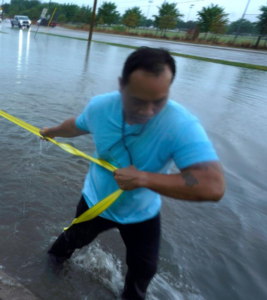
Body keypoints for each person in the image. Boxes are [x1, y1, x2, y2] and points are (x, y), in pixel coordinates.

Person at [40, 47, 225, 300]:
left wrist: (143, 179)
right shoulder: (100, 107)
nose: (147, 112)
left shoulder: (180, 124)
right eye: (137, 100)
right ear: (121, 85)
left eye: (158, 101)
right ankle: (46, 282)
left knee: (143, 271)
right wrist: (51, 131)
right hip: (96, 201)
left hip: (142, 211)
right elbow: (77, 124)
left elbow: (213, 185)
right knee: (67, 245)